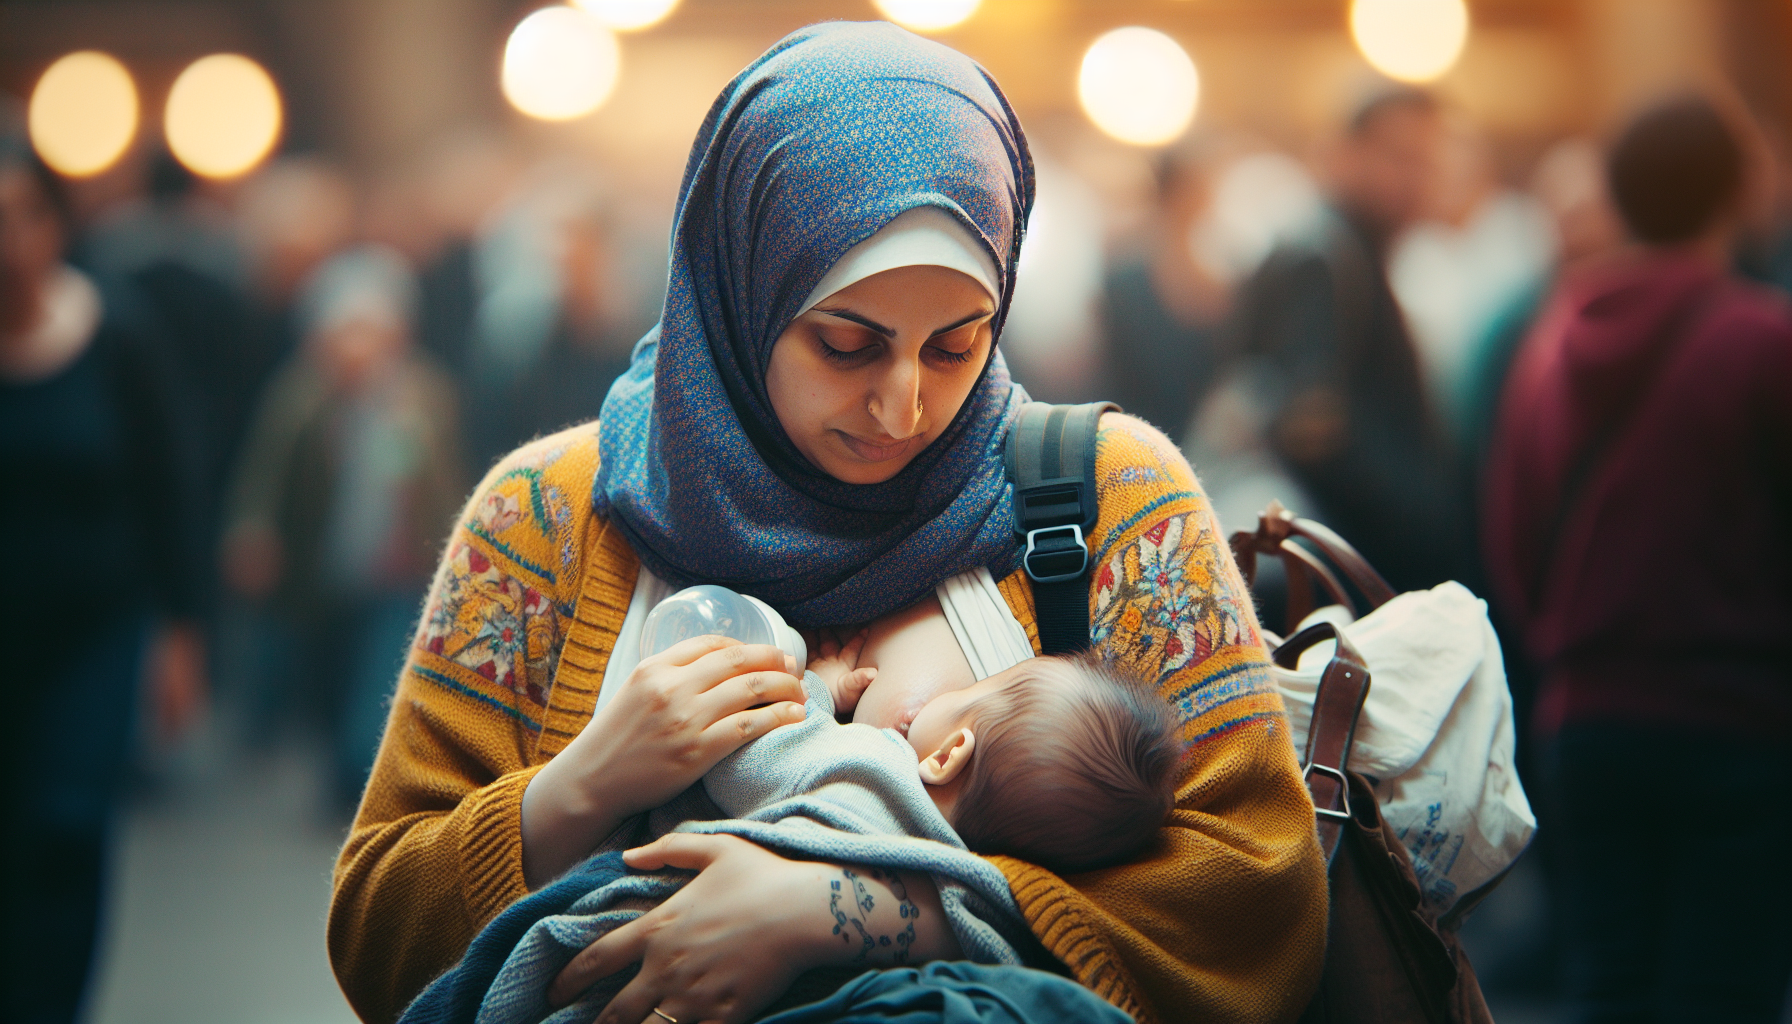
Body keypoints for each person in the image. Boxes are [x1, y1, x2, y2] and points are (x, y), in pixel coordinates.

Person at [330, 23, 1326, 1024]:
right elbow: (380, 936)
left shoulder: (1111, 497)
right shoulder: (543, 518)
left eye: (955, 346)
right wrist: (581, 786)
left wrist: (854, 910)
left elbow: (1256, 895)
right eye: (846, 344)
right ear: (740, 289)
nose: (902, 409)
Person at [1483, 95, 1792, 1023]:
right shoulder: (1764, 340)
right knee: (1725, 992)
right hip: (1739, 722)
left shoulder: (1549, 342)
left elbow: (1513, 536)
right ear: (1739, 190)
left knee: (1606, 986)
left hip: (1585, 720)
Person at [0, 137, 208, 1023]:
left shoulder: (115, 331)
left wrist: (182, 634)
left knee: (64, 825)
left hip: (93, 631)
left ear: (54, 223)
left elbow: (171, 489)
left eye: (21, 216)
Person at [223, 244, 467, 811]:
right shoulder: (303, 396)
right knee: (328, 676)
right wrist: (253, 530)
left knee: (377, 686)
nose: (359, 348)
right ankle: (337, 768)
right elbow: (264, 471)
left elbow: (451, 478)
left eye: (372, 331)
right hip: (324, 568)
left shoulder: (424, 395)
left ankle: (360, 773)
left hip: (397, 570)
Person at [1226, 87, 1469, 595]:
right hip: (1346, 576)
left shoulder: (1352, 251)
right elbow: (1316, 437)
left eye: (1428, 160)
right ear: (1345, 154)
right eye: (1400, 157)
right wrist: (1430, 525)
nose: (1416, 178)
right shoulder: (1322, 258)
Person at [807, 610, 1180, 874]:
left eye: (973, 691)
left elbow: (787, 749)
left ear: (948, 755)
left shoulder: (869, 777)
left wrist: (821, 690)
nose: (965, 686)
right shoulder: (955, 879)